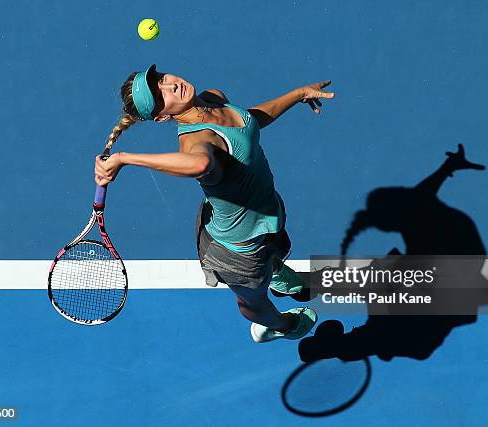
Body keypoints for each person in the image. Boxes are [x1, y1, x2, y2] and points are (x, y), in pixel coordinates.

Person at [94, 64, 334, 342]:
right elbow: (200, 162)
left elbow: (248, 122)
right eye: (161, 96)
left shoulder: (212, 98)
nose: (170, 85)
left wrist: (298, 94)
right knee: (252, 304)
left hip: (262, 216)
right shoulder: (197, 138)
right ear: (161, 117)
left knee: (269, 254)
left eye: (161, 79)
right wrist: (125, 158)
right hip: (238, 250)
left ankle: (282, 280)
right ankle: (284, 326)